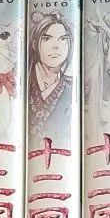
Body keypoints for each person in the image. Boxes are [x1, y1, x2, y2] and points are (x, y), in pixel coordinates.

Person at [28, 9, 75, 138]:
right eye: (47, 39)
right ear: (35, 44)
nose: (56, 46)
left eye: (63, 39)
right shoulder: (20, 83)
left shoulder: (72, 88)